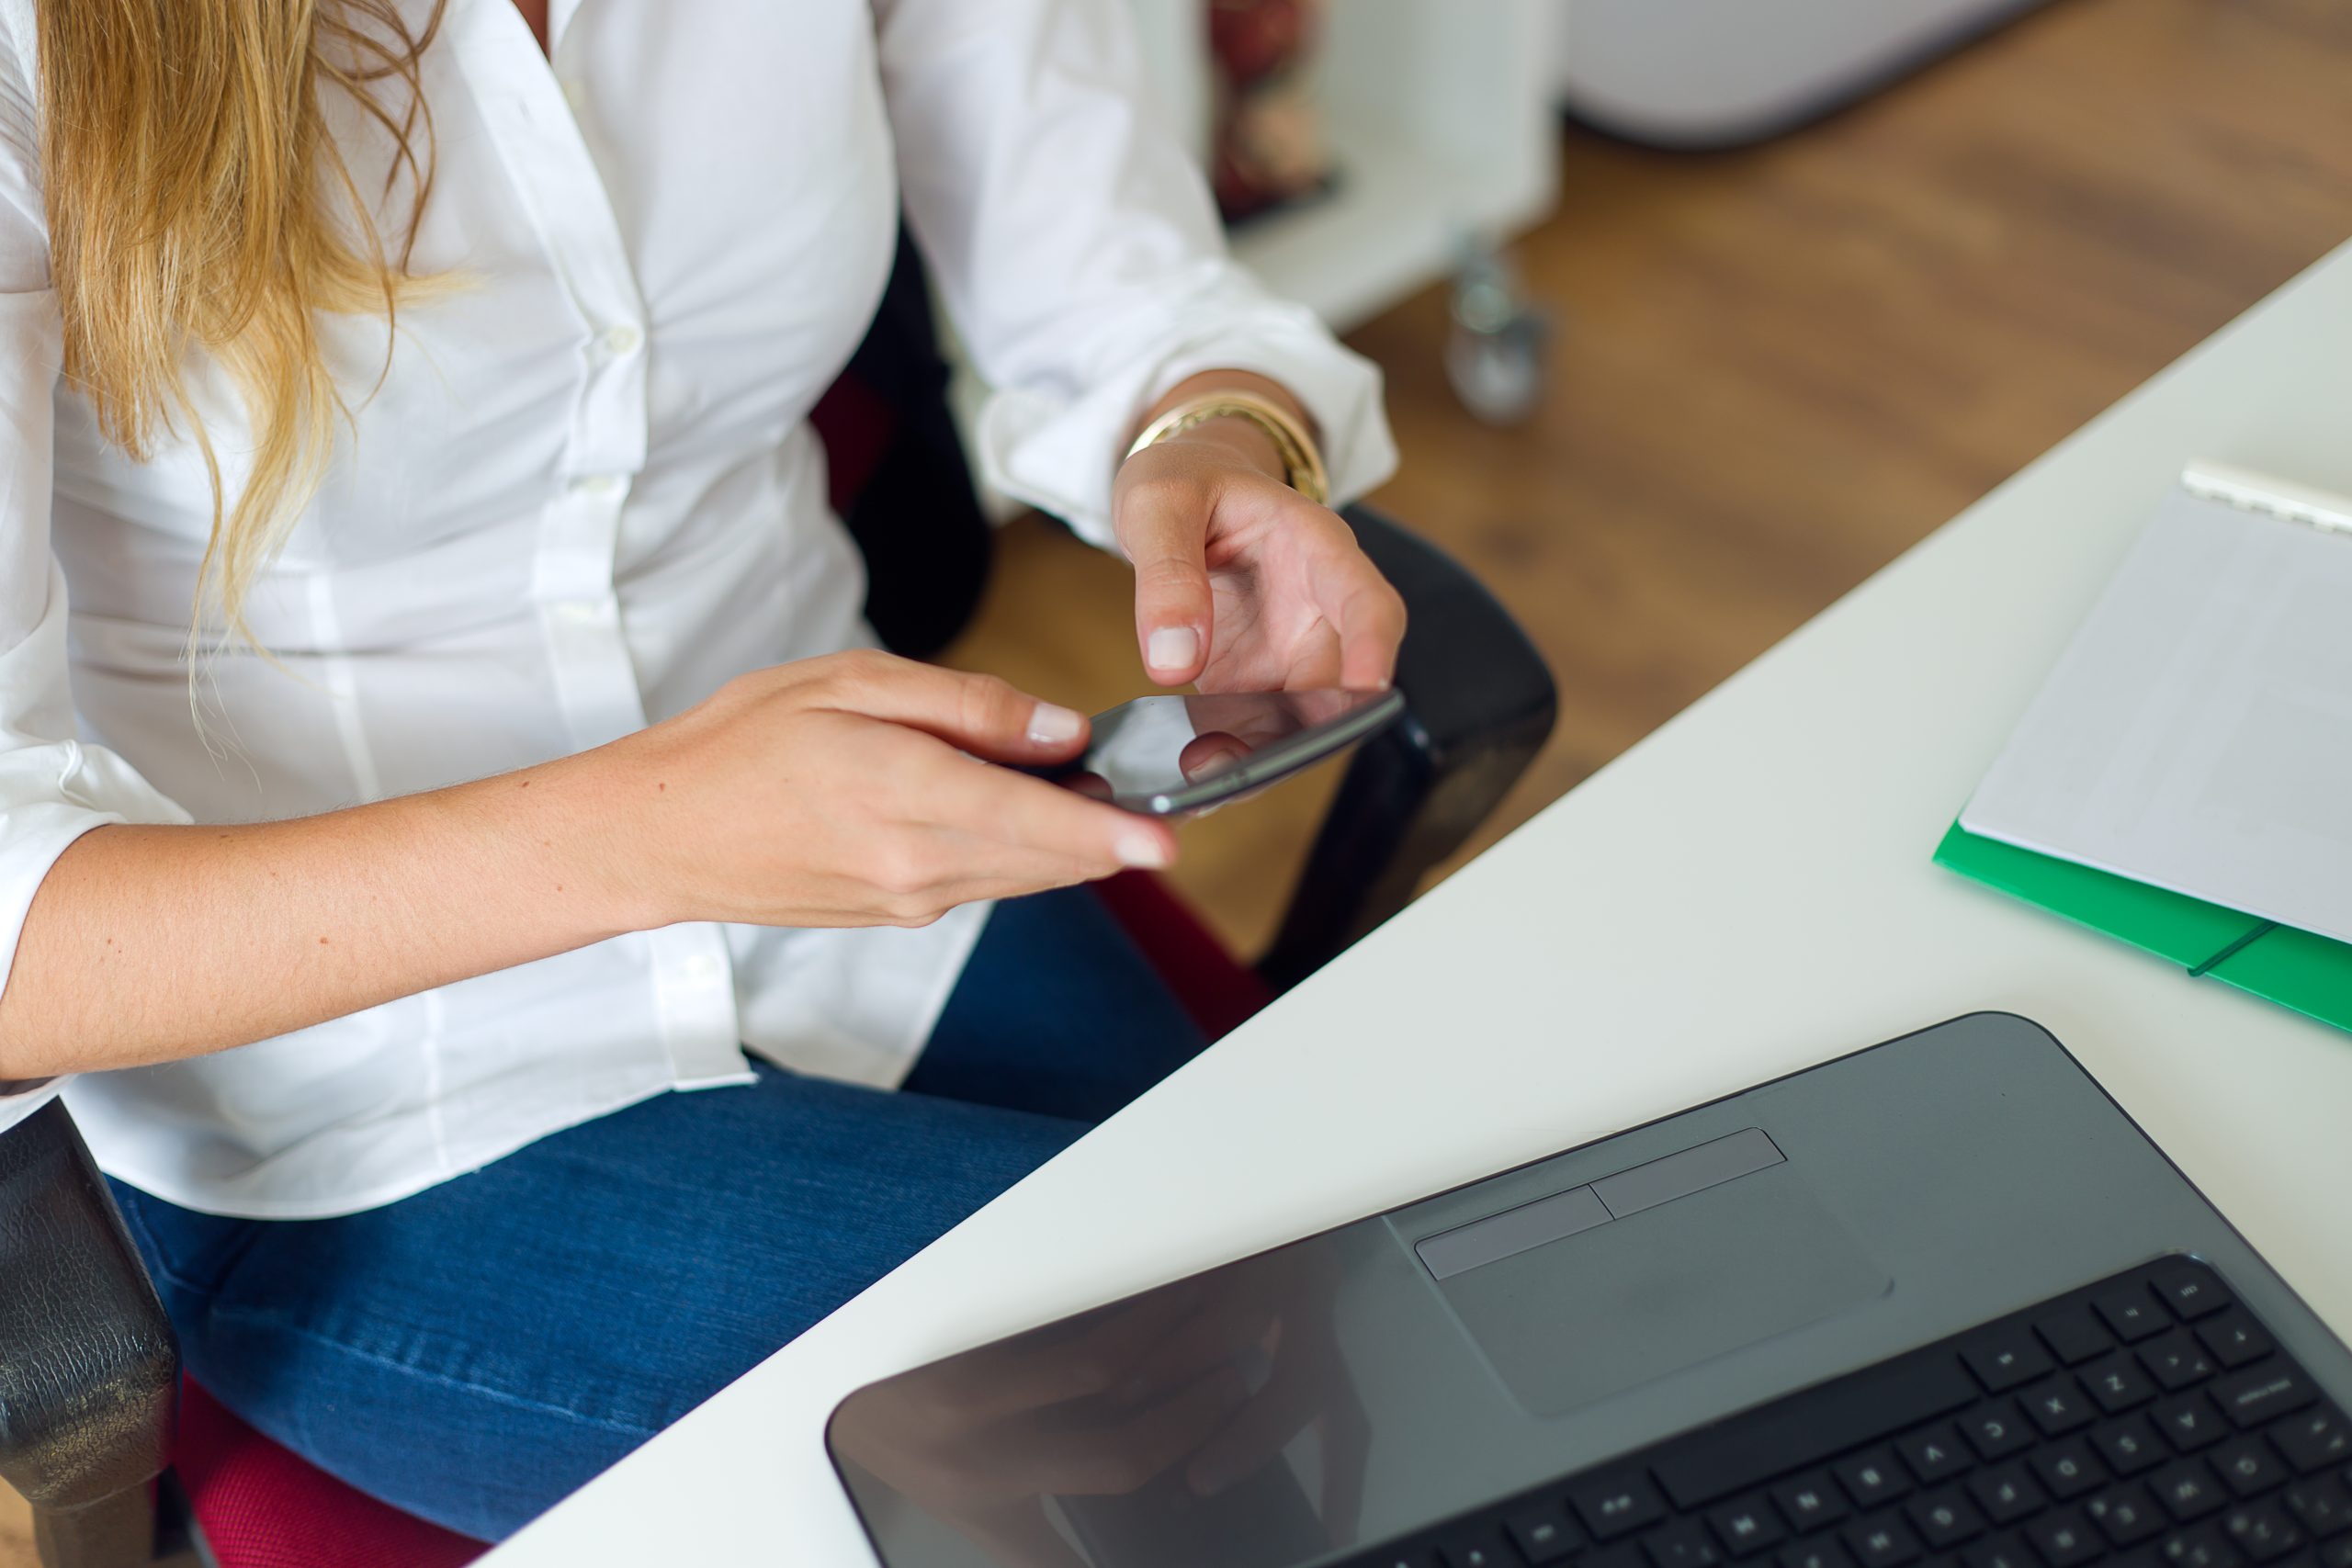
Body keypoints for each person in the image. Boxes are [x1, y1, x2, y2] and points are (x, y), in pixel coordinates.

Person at [0, 0, 1403, 1541]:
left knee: (1344, 1340)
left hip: (868, 884)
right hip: (345, 1096)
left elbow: (1113, 281)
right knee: (1154, 1439)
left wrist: (1215, 436)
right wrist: (652, 834)